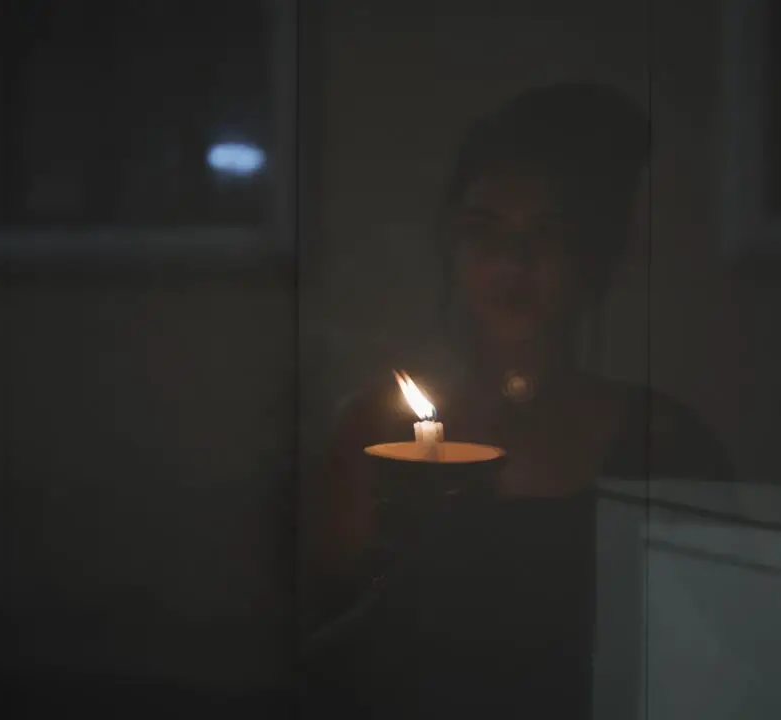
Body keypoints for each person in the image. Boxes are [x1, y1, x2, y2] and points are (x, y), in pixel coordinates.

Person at [301, 83, 731, 718]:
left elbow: (712, 650)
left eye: (545, 234)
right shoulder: (372, 430)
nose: (514, 258)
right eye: (486, 232)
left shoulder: (657, 437)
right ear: (453, 248)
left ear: (593, 254)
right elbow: (324, 646)